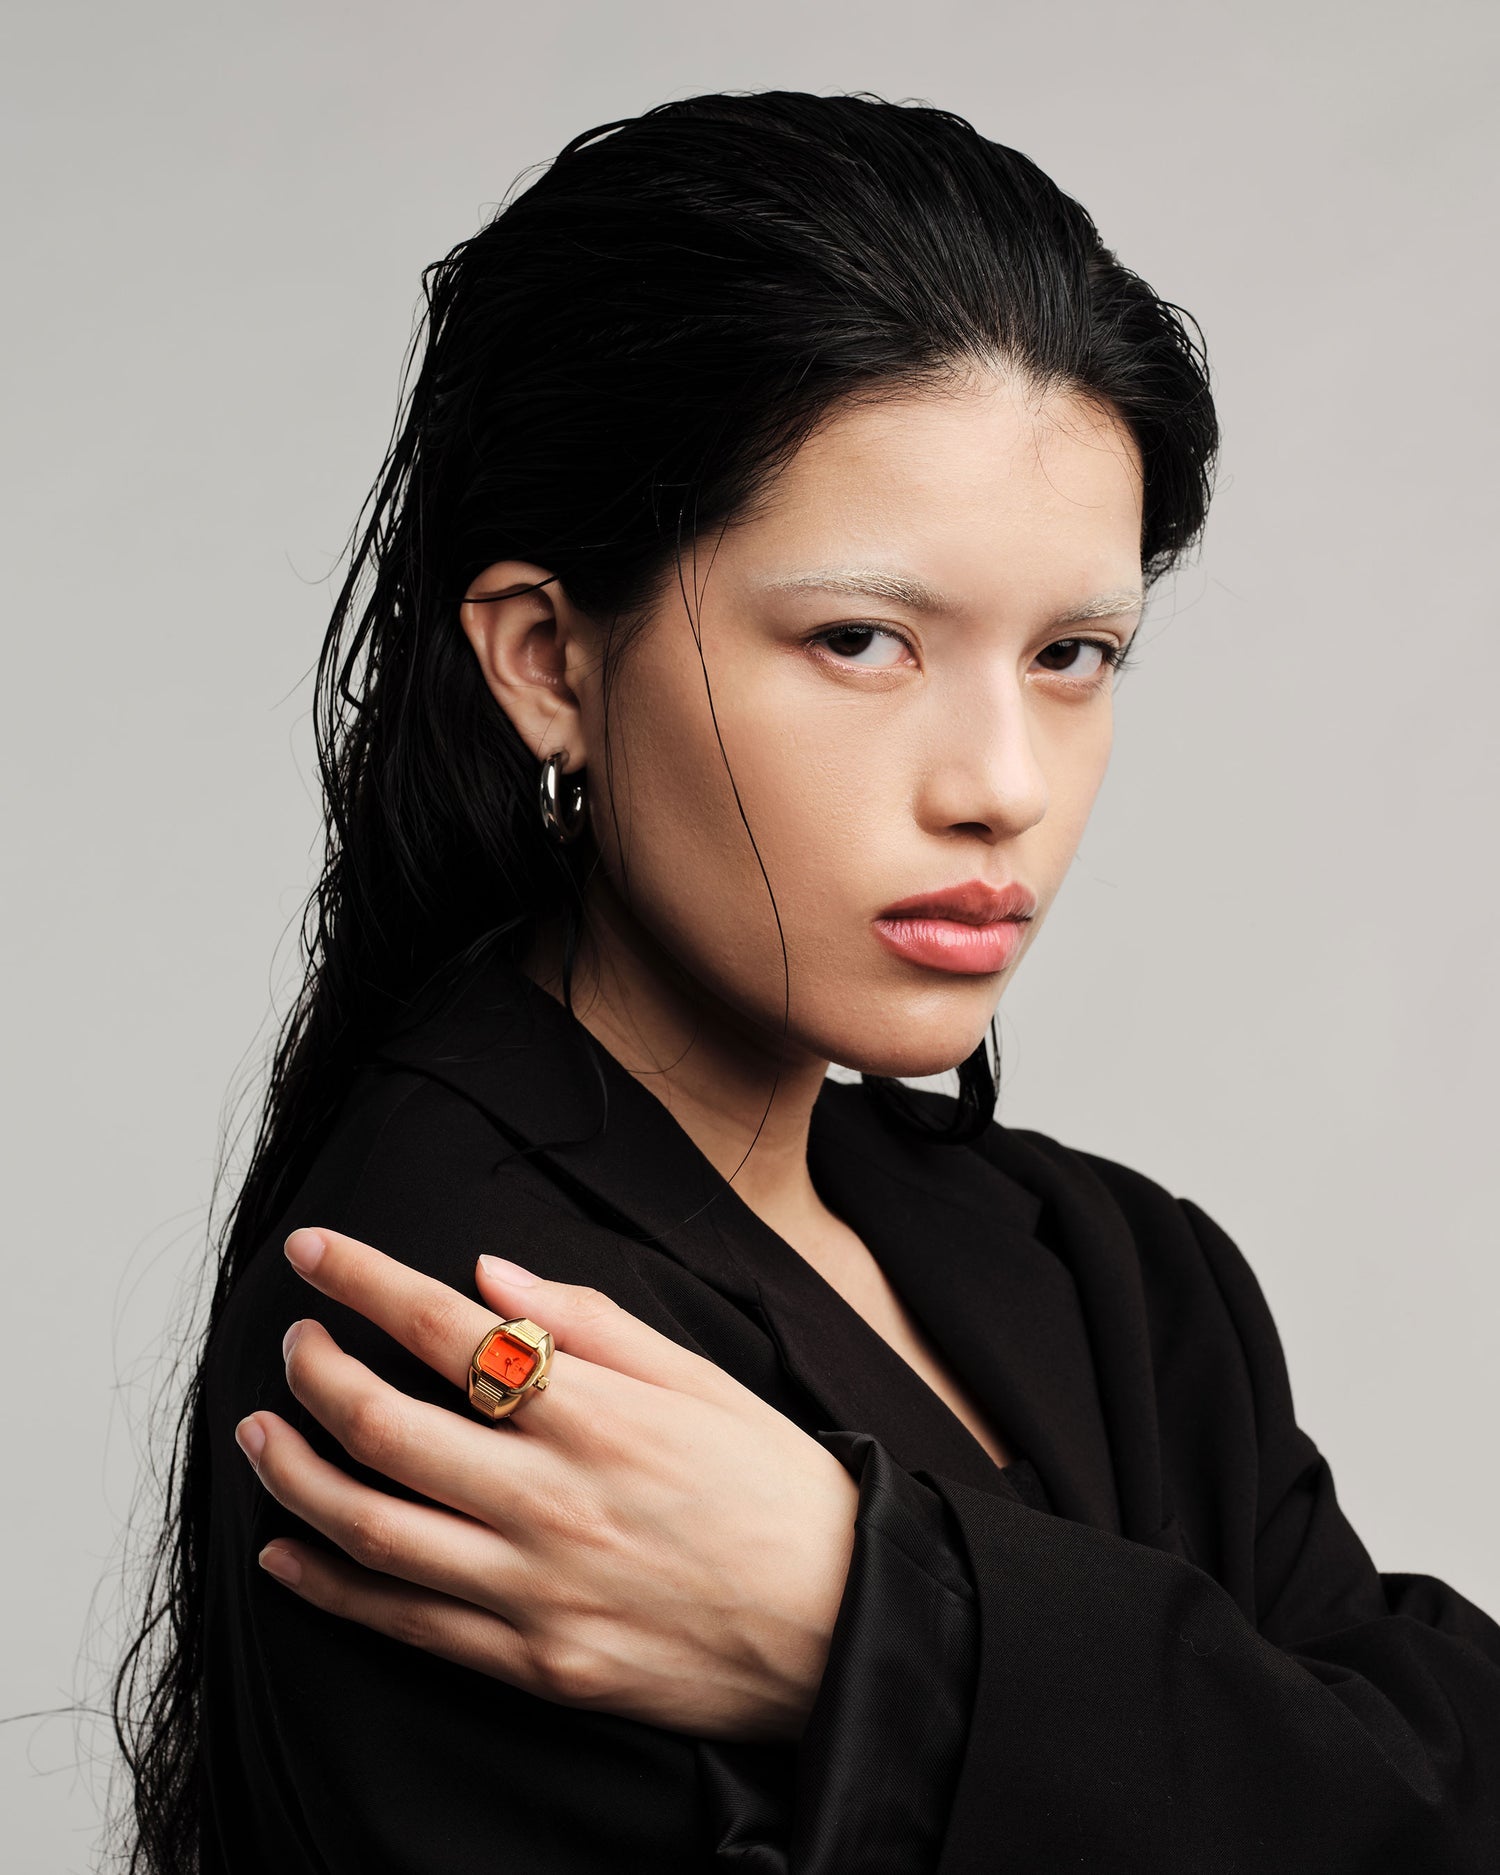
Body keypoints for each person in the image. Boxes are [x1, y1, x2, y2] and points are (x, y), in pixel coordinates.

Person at [113, 90, 1500, 1874]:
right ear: (548, 661)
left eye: (1076, 654)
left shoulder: (1122, 1276)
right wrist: (934, 1639)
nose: (1000, 783)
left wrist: (866, 1613)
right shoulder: (462, 1339)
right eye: (862, 640)